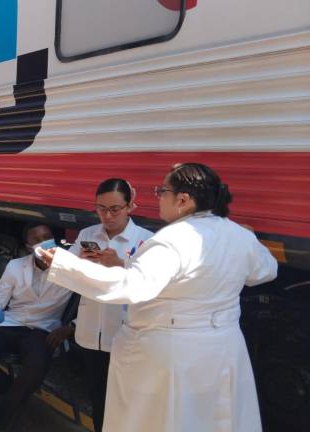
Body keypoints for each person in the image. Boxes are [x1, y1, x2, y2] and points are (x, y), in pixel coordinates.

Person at [40, 163, 277, 432]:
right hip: (224, 348)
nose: (158, 197)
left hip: (173, 355)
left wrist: (65, 265)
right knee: (216, 419)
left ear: (183, 200)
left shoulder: (173, 240)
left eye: (162, 191)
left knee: (165, 421)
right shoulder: (237, 234)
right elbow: (265, 272)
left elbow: (132, 286)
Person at [66, 178, 153, 432]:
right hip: (91, 333)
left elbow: (152, 288)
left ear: (130, 206)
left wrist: (120, 265)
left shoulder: (146, 241)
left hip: (126, 335)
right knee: (98, 397)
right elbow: (67, 278)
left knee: (128, 401)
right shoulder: (87, 235)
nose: (107, 215)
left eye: (115, 209)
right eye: (101, 208)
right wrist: (79, 262)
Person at [0, 223, 74, 431]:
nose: (43, 242)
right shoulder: (16, 266)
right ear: (28, 246)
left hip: (43, 328)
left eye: (47, 236)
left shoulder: (70, 268)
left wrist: (71, 326)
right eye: (37, 240)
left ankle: (1, 415)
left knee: (37, 365)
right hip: (11, 322)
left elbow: (91, 302)